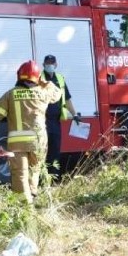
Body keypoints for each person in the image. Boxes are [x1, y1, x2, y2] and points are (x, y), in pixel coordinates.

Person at [0, 60, 61, 204]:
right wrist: (45, 82)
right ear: (37, 77)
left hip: (17, 144)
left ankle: (25, 208)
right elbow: (57, 93)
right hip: (39, 143)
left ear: (19, 76)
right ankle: (32, 194)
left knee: (20, 175)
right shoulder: (43, 93)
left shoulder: (10, 95)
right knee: (34, 171)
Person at [40, 54, 80, 183]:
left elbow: (66, 99)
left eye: (52, 63)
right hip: (42, 122)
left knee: (55, 153)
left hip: (55, 122)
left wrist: (74, 114)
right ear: (43, 65)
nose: (49, 65)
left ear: (56, 65)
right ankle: (42, 181)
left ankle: (53, 181)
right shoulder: (38, 79)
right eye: (47, 63)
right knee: (42, 153)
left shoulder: (60, 79)